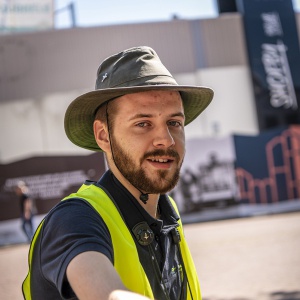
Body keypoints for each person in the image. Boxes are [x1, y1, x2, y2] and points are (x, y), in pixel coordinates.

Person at [22, 46, 214, 300]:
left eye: (174, 123)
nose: (166, 141)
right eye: (143, 124)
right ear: (103, 135)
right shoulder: (74, 219)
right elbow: (108, 295)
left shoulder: (168, 213)